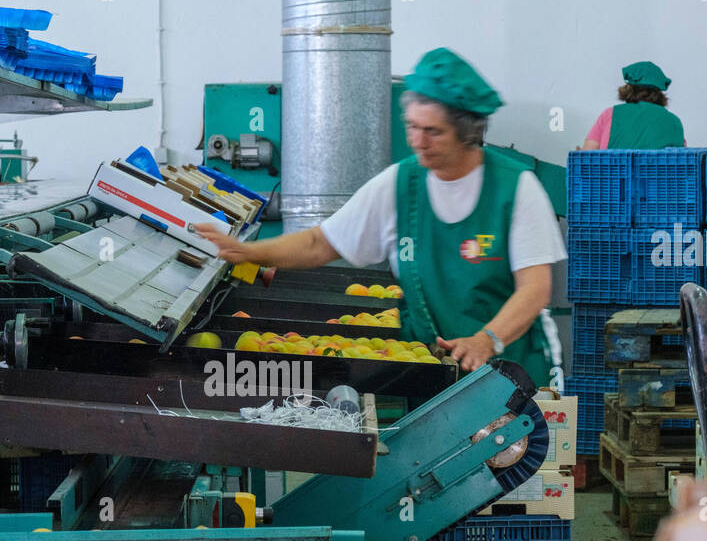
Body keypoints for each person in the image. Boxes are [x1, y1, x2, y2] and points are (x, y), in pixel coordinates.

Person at [193, 47, 562, 386]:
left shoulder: (515, 188)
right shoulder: (399, 184)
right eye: (413, 127)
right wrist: (250, 252)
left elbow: (535, 287)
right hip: (428, 372)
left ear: (467, 133)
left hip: (508, 372)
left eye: (433, 132)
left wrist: (488, 339)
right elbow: (320, 243)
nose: (418, 141)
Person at [581, 60, 685, 150]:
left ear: (629, 89)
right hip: (659, 173)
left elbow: (587, 154)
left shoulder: (610, 114)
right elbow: (682, 161)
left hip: (613, 173)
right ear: (659, 92)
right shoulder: (674, 121)